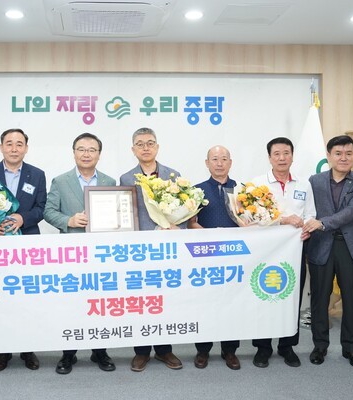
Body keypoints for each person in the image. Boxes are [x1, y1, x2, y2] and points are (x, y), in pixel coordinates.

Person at [43, 132, 116, 374]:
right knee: (71, 304)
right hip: (71, 253)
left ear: (99, 154)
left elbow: (118, 214)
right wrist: (69, 220)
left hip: (102, 254)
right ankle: (68, 354)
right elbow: (49, 212)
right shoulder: (60, 181)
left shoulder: (110, 182)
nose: (86, 154)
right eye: (81, 149)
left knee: (100, 303)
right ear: (74, 152)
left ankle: (100, 351)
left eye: (92, 150)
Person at [0, 128, 46, 372]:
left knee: (26, 299)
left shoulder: (37, 175)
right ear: (1, 147)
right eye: (9, 143)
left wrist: (21, 218)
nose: (14, 148)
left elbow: (41, 208)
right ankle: (3, 350)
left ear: (26, 148)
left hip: (26, 244)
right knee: (0, 298)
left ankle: (28, 349)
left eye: (19, 144)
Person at [303, 135, 353, 370]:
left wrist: (322, 223)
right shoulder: (314, 181)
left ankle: (351, 350)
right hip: (321, 245)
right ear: (329, 156)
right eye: (338, 153)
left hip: (351, 247)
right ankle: (319, 346)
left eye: (349, 153)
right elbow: (306, 210)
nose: (344, 158)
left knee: (352, 300)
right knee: (319, 299)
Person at [119, 127, 183, 372]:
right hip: (139, 249)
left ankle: (164, 350)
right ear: (133, 149)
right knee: (142, 300)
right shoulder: (126, 178)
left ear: (157, 147)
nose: (145, 148)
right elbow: (123, 213)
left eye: (150, 143)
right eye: (140, 144)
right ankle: (142, 351)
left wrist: (178, 226)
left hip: (167, 248)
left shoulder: (174, 175)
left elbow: (186, 207)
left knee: (165, 299)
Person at [250, 137, 316, 368]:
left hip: (295, 250)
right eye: (276, 154)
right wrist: (284, 220)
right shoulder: (257, 184)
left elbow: (311, 213)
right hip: (265, 252)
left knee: (291, 297)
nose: (281, 158)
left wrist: (307, 226)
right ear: (269, 158)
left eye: (286, 153)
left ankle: (287, 346)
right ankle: (263, 347)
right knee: (264, 296)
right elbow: (252, 217)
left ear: (292, 156)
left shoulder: (304, 184)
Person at [187, 145, 241, 370]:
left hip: (235, 256)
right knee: (205, 304)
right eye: (215, 159)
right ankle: (203, 350)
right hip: (206, 256)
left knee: (232, 304)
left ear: (231, 162)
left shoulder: (242, 190)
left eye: (224, 159)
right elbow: (190, 222)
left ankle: (230, 350)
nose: (220, 163)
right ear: (207, 163)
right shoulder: (196, 191)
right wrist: (206, 234)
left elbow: (250, 221)